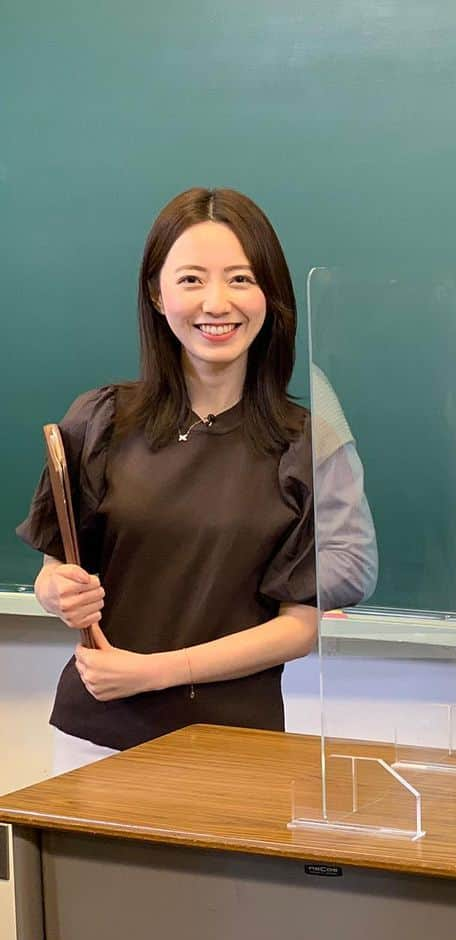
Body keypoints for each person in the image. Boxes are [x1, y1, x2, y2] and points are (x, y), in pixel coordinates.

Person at [16, 187, 356, 774]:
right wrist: (58, 593)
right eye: (192, 279)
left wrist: (155, 672)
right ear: (157, 293)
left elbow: (299, 628)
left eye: (241, 279)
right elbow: (53, 572)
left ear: (271, 295)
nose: (216, 303)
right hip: (94, 737)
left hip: (237, 750)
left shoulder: (307, 443)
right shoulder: (99, 419)